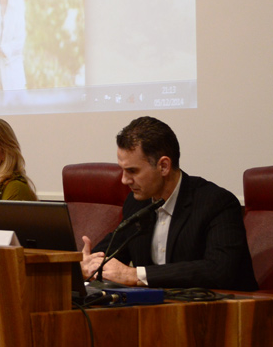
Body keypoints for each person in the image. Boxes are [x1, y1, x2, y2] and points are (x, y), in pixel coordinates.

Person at [81, 116, 258, 291]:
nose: (124, 180)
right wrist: (87, 264)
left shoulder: (215, 203)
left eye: (132, 171)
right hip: (160, 310)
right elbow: (113, 250)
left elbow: (219, 270)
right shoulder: (136, 203)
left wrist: (135, 275)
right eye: (122, 170)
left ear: (163, 166)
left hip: (224, 311)